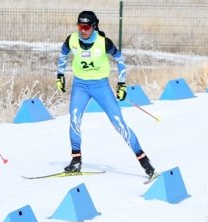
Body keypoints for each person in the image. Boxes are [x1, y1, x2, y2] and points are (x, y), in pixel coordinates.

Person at [56, 10, 156, 178]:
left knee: (119, 123)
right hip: (80, 85)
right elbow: (63, 54)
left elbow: (120, 59)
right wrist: (60, 75)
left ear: (94, 26)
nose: (82, 30)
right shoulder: (72, 40)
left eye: (86, 27)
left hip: (100, 86)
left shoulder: (104, 42)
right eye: (80, 26)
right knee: (74, 119)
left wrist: (122, 83)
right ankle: (76, 160)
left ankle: (144, 162)